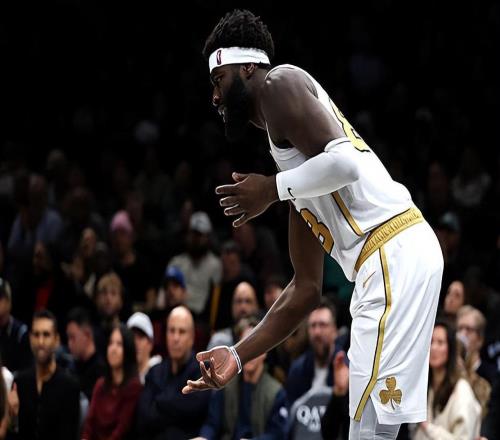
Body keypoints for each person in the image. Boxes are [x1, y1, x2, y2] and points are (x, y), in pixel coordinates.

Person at [182, 9, 444, 440]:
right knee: (377, 428)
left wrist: (271, 190)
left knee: (368, 429)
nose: (214, 96)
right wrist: (238, 354)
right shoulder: (294, 165)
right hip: (393, 258)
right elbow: (305, 290)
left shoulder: (279, 83)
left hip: (391, 252)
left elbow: (346, 164)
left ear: (247, 67)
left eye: (218, 79)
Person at [195, 316, 288, 440]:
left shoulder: (276, 392)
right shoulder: (225, 384)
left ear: (265, 352)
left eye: (255, 347)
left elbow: (277, 434)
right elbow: (212, 424)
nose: (250, 354)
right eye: (246, 348)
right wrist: (204, 437)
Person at [136, 306, 210, 439]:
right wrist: (177, 404)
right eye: (171, 331)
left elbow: (195, 412)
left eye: (182, 332)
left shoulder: (203, 372)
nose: (175, 338)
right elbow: (144, 417)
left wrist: (159, 402)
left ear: (192, 337)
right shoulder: (154, 372)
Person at [13, 309, 80, 440]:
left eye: (46, 335)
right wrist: (13, 418)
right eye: (36, 334)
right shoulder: (20, 382)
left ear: (56, 340)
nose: (41, 342)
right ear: (30, 338)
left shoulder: (70, 386)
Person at [413, 321, 481, 439]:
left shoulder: (461, 390)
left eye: (440, 342)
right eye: (430, 342)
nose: (433, 347)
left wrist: (427, 427)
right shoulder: (424, 387)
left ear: (450, 349)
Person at [82, 324, 142, 440]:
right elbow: (89, 425)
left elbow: (121, 430)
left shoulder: (134, 387)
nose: (113, 349)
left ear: (128, 350)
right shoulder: (100, 384)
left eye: (119, 344)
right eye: (111, 343)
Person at [126, 311, 162, 384]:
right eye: (132, 337)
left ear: (151, 343)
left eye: (140, 337)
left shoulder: (162, 374)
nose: (135, 343)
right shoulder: (122, 377)